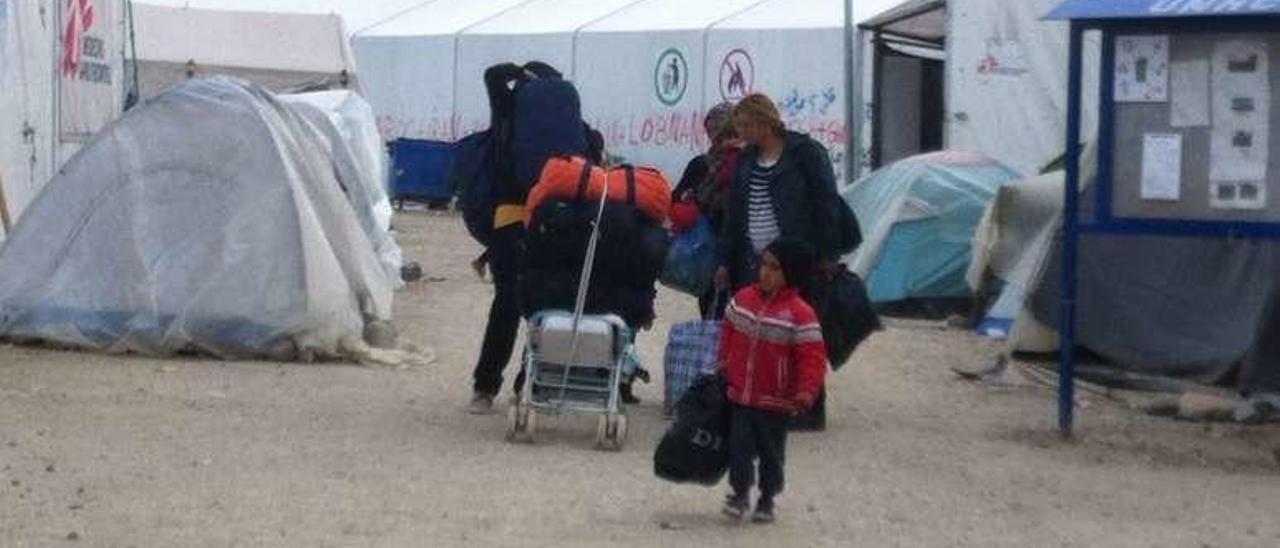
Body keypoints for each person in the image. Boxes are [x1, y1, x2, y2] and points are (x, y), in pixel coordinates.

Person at [468, 62, 600, 414]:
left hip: (509, 220)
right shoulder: (582, 131)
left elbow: (492, 74)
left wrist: (517, 72)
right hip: (557, 221)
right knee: (547, 305)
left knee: (505, 306)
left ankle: (484, 387)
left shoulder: (508, 113)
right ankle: (528, 383)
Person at [717, 238, 827, 524]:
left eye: (774, 268)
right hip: (742, 394)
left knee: (771, 454)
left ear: (791, 273)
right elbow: (728, 330)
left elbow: (812, 359)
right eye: (763, 264)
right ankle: (740, 493)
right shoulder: (742, 300)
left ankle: (767, 498)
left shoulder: (801, 315)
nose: (765, 272)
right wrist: (724, 362)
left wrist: (806, 392)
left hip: (775, 401)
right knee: (739, 447)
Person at [714, 93, 847, 295]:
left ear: (764, 122)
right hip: (752, 259)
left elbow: (827, 204)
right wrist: (724, 260)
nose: (740, 132)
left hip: (796, 258)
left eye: (745, 125)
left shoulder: (806, 153)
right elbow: (734, 213)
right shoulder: (745, 159)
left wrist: (829, 254)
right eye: (739, 126)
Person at [673, 102, 741, 318]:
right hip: (713, 250)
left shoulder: (740, 162)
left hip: (720, 249)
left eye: (715, 129)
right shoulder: (744, 161)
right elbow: (675, 199)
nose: (713, 135)